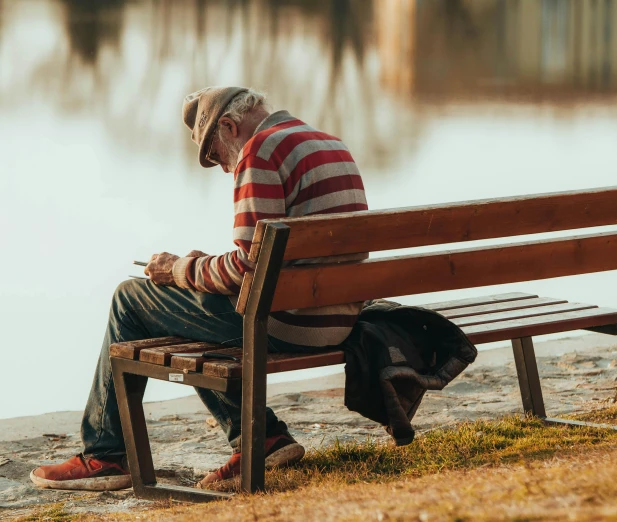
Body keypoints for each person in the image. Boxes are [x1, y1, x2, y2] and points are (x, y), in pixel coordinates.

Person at [30, 87, 369, 491]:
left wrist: (179, 268)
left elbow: (244, 271)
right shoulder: (327, 142)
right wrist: (197, 270)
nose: (226, 168)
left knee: (130, 298)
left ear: (229, 125)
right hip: (338, 318)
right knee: (187, 307)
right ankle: (262, 438)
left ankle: (105, 454)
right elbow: (263, 262)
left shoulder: (260, 152)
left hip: (288, 325)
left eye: (217, 154)